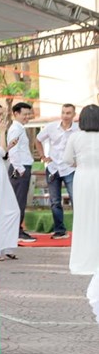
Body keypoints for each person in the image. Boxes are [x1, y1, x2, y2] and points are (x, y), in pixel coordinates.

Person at [65, 104, 99, 323]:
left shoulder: (75, 137)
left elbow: (67, 160)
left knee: (84, 218)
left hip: (83, 178)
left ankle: (85, 255)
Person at [37, 104, 79, 241]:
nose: (65, 115)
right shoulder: (51, 127)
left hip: (70, 169)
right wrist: (43, 156)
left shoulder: (78, 129)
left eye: (68, 113)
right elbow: (38, 140)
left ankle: (79, 230)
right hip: (53, 168)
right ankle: (60, 230)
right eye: (63, 112)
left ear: (74, 115)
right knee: (55, 202)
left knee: (76, 199)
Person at [0, 103, 22, 261]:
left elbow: (1, 151)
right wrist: (3, 132)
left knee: (11, 209)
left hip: (0, 170)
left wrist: (8, 144)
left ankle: (6, 245)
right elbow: (1, 151)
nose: (1, 118)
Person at [7, 102, 37, 242]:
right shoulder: (15, 129)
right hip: (19, 168)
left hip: (22, 167)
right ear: (16, 114)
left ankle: (17, 230)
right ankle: (17, 231)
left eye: (28, 114)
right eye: (24, 114)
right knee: (19, 201)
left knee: (20, 200)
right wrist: (21, 169)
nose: (27, 117)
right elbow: (12, 151)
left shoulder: (20, 128)